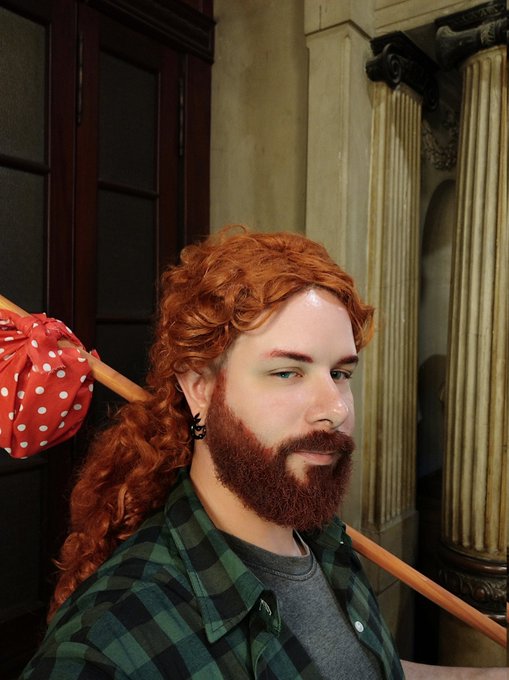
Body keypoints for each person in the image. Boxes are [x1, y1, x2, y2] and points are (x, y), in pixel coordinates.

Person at [21, 228, 504, 679]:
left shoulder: (325, 538)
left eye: (340, 374)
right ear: (200, 388)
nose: (335, 410)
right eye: (287, 372)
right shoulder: (105, 649)